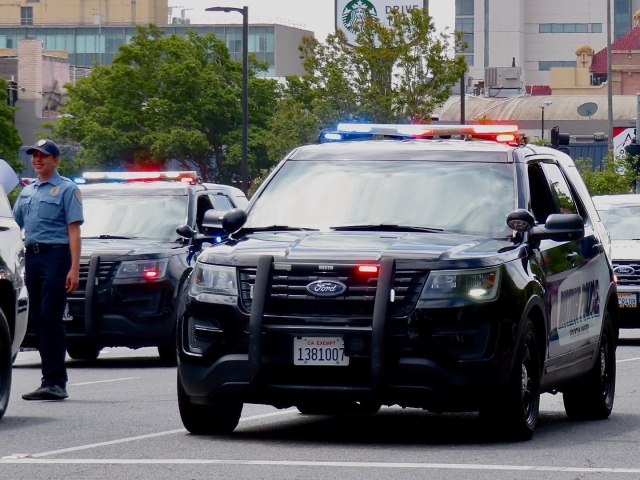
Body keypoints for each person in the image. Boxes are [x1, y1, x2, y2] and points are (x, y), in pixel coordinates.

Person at [13, 139, 84, 401]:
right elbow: (15, 221)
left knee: (51, 317)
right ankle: (48, 379)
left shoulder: (67, 189)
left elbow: (74, 231)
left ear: (56, 160)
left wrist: (74, 268)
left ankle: (55, 381)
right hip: (33, 259)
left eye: (44, 155)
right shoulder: (28, 191)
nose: (38, 160)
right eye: (34, 156)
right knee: (39, 319)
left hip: (56, 257)